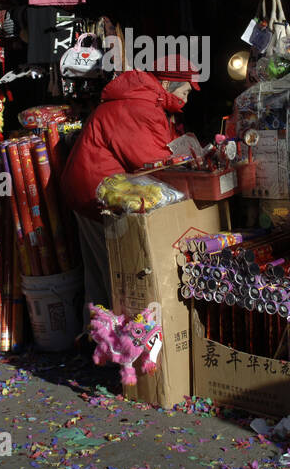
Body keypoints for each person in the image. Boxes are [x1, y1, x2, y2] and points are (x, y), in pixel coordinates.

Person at [60, 57, 200, 306]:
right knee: (114, 270)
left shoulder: (145, 101)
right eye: (185, 91)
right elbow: (151, 162)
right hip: (98, 191)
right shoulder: (140, 106)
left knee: (98, 271)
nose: (186, 100)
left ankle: (94, 334)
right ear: (168, 82)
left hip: (88, 185)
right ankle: (115, 335)